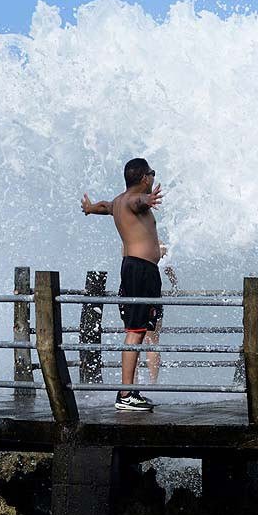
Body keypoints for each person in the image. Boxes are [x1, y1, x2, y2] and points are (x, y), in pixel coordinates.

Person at [80, 158, 164, 412]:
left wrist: (92, 207)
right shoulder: (132, 201)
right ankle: (126, 394)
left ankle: (130, 392)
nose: (153, 178)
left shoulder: (118, 201)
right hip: (140, 270)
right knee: (136, 331)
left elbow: (108, 206)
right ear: (144, 179)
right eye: (151, 173)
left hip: (136, 269)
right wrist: (145, 201)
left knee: (138, 329)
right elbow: (135, 202)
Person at [142, 243, 178, 384]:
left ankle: (131, 384)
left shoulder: (130, 242)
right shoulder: (160, 246)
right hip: (152, 293)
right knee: (153, 340)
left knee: (133, 338)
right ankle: (152, 383)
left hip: (130, 291)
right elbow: (168, 269)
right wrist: (174, 285)